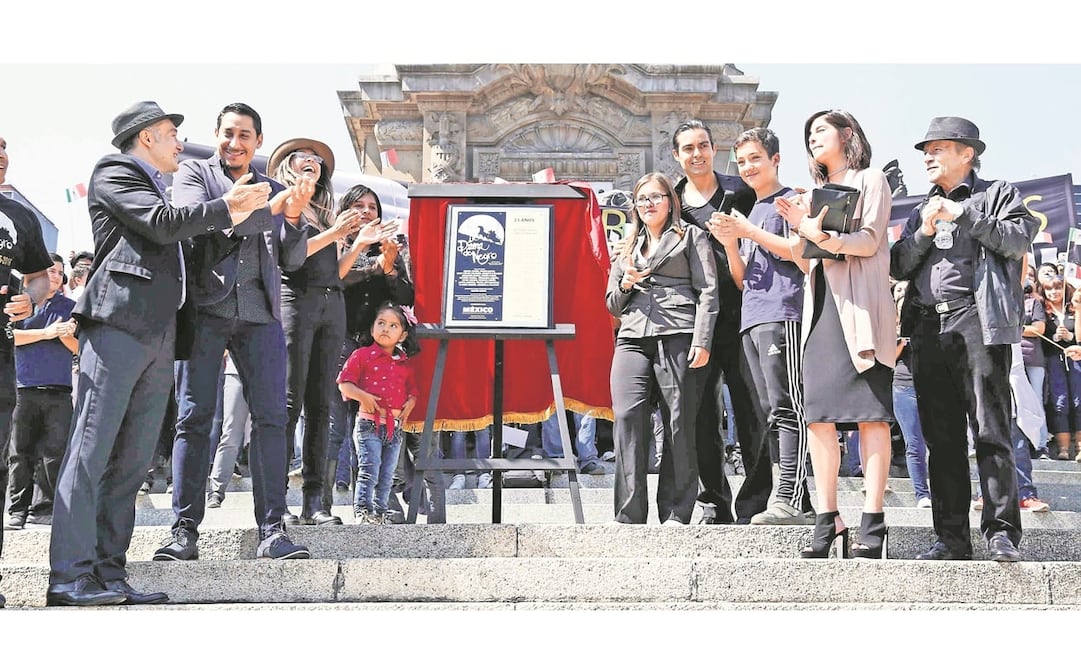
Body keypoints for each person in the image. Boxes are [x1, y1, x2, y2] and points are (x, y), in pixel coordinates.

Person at [47, 100, 270, 606]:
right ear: (146, 137)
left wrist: (237, 218)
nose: (178, 143)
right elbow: (163, 224)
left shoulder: (162, 188)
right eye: (172, 133)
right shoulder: (116, 170)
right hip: (117, 325)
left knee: (131, 462)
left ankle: (109, 572)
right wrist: (227, 207)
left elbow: (184, 237)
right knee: (90, 454)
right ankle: (69, 576)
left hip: (161, 334)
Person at [153, 103, 314, 562]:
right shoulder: (192, 175)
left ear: (259, 142)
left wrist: (297, 217)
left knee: (272, 418)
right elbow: (191, 227)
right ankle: (184, 530)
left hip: (260, 313)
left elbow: (294, 259)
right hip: (205, 309)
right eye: (228, 133)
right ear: (216, 134)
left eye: (245, 135)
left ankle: (273, 529)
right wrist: (262, 209)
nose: (235, 143)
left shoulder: (275, 188)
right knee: (194, 418)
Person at [891, 116, 1038, 562]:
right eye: (925, 151)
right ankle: (951, 538)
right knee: (942, 439)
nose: (928, 158)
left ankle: (1001, 534)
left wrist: (966, 214)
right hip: (927, 328)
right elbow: (898, 265)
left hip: (977, 323)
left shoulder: (997, 193)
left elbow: (1017, 239)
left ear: (967, 152)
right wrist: (924, 232)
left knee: (991, 431)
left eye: (937, 149)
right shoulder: (921, 207)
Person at [776, 109, 896, 558]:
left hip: (861, 311)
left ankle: (873, 519)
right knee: (818, 419)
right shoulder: (811, 195)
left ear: (847, 135)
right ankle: (828, 518)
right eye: (807, 133)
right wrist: (800, 230)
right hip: (822, 310)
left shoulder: (871, 180)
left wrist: (815, 231)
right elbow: (808, 261)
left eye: (820, 131)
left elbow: (867, 242)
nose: (812, 139)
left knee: (871, 416)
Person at [270, 138, 398, 526]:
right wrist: (336, 231)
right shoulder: (285, 205)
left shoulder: (326, 213)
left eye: (317, 161)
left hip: (331, 305)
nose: (312, 163)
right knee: (290, 404)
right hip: (297, 302)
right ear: (287, 168)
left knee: (322, 407)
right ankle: (278, 504)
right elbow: (293, 257)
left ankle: (316, 502)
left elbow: (338, 274)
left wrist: (358, 243)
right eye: (303, 159)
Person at [707, 127, 813, 528]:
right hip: (752, 316)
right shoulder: (753, 210)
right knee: (769, 412)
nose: (748, 167)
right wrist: (732, 243)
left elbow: (804, 257)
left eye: (756, 158)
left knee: (788, 407)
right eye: (743, 161)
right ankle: (790, 497)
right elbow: (741, 278)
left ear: (775, 160)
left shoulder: (792, 202)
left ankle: (791, 496)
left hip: (783, 312)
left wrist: (748, 232)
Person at [669, 119, 769, 525]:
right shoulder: (672, 200)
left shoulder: (740, 191)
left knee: (753, 410)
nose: (697, 154)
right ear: (676, 156)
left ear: (714, 148)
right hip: (693, 323)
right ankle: (713, 500)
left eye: (704, 145)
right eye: (688, 148)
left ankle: (756, 501)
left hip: (745, 312)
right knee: (701, 415)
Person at [606, 172, 717, 524]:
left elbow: (709, 291)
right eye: (642, 199)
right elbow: (611, 303)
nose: (648, 204)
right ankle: (629, 514)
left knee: (678, 422)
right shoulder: (627, 246)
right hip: (633, 336)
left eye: (655, 197)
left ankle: (676, 511)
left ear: (670, 201)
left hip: (679, 332)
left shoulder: (691, 236)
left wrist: (702, 339)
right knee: (627, 417)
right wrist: (624, 283)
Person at [328, 183, 412, 514]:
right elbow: (336, 279)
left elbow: (406, 298)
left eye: (372, 207)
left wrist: (389, 266)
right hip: (339, 345)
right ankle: (320, 505)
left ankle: (381, 504)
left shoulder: (387, 249)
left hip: (379, 354)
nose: (366, 211)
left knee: (379, 427)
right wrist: (373, 267)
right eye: (358, 205)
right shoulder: (333, 243)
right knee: (336, 427)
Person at [0, 134, 55, 609]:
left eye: (3, 149)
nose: (0, 157)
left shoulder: (18, 216)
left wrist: (30, 299)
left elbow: (38, 274)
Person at [5, 254, 77, 529]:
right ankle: (17, 510)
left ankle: (44, 509)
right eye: (50, 271)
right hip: (22, 388)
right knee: (19, 453)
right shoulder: (20, 304)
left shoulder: (71, 307)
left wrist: (64, 334)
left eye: (59, 273)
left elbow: (79, 349)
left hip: (59, 390)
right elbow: (11, 339)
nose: (55, 276)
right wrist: (48, 333)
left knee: (54, 454)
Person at [337, 302, 419, 524]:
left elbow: (413, 391)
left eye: (393, 325)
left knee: (387, 475)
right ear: (372, 328)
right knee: (369, 469)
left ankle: (380, 513)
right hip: (368, 424)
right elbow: (344, 383)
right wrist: (364, 397)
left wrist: (411, 402)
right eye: (381, 323)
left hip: (395, 428)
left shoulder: (404, 363)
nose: (386, 329)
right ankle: (363, 511)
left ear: (402, 335)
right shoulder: (361, 355)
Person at [891, 281, 931, 509]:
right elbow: (887, 359)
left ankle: (941, 493)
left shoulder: (927, 322)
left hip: (930, 384)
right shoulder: (890, 324)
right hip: (904, 385)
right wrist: (901, 341)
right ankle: (921, 494)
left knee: (937, 443)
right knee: (914, 443)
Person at [1038, 276, 1081, 461]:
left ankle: (1079, 446)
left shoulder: (1073, 308)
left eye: (1057, 288)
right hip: (1054, 359)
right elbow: (1040, 337)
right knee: (1059, 402)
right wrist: (1055, 337)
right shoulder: (1044, 310)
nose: (1054, 292)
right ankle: (1063, 448)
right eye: (1049, 289)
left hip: (1076, 360)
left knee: (1079, 401)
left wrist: (1070, 334)